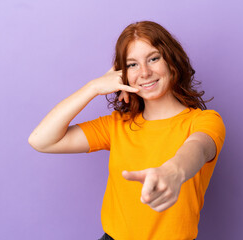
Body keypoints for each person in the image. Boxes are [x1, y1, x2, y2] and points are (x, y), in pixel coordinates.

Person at [28, 20, 226, 240]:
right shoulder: (117, 125)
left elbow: (197, 148)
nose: (144, 72)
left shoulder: (204, 121)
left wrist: (173, 171)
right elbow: (41, 140)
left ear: (172, 62)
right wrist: (93, 87)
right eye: (132, 65)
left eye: (153, 58)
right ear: (122, 74)